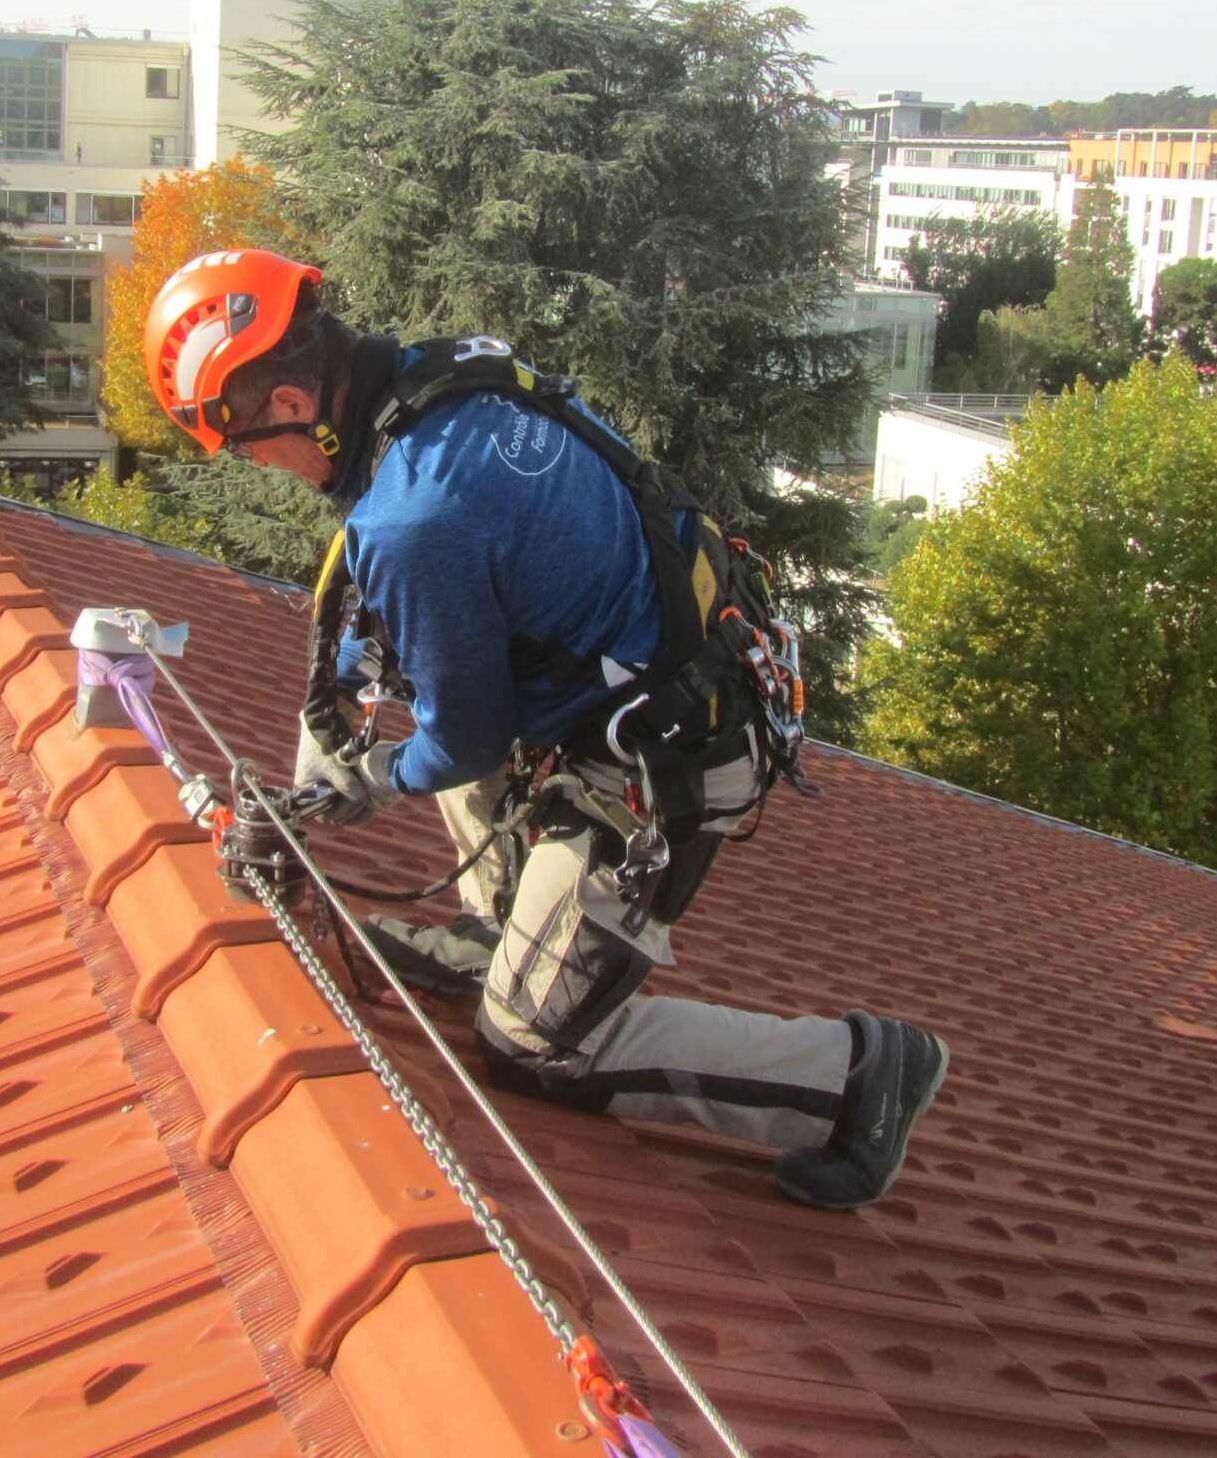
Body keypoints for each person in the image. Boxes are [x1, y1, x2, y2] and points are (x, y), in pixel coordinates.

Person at [143, 248, 948, 1209]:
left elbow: (463, 743)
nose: (258, 467)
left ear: (286, 403)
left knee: (531, 1043)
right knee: (445, 690)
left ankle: (855, 1077)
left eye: (243, 447)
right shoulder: (441, 379)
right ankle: (503, 927)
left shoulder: (414, 517)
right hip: (663, 674)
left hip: (665, 762)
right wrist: (319, 750)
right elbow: (374, 615)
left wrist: (354, 785)